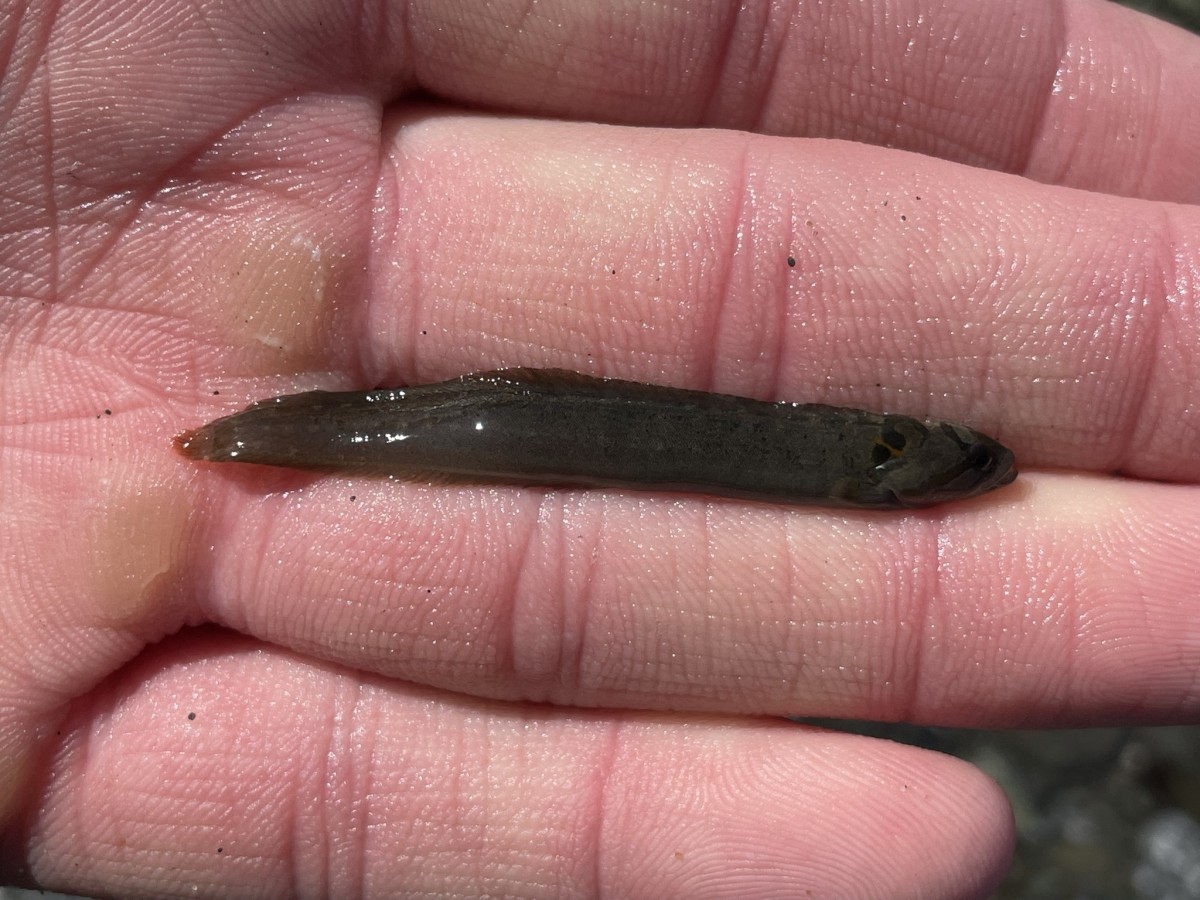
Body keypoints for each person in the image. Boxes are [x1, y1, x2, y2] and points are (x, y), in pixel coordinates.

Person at [2, 0, 1198, 896]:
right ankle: (246, 440)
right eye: (968, 466)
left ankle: (251, 440)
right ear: (898, 463)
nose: (977, 473)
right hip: (486, 424)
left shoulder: (878, 461)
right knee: (407, 433)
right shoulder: (872, 465)